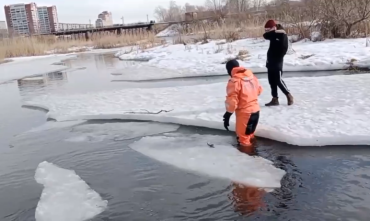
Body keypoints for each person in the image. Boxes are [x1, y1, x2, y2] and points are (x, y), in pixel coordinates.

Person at [223, 59, 262, 148]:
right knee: (250, 135)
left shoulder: (234, 81)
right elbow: (259, 90)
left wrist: (227, 114)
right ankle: (254, 154)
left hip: (245, 114)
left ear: (229, 70)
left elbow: (232, 101)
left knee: (243, 140)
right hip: (256, 111)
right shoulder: (251, 76)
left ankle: (248, 157)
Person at [263, 20, 294, 106]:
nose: (266, 32)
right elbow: (265, 36)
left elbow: (283, 49)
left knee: (278, 80)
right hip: (270, 62)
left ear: (273, 28)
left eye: (268, 30)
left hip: (277, 62)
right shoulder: (273, 35)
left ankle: (289, 95)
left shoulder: (282, 35)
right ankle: (275, 99)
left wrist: (277, 58)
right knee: (271, 81)